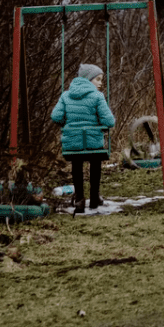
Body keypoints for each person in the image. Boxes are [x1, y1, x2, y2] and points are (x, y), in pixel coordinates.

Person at [51, 63, 116, 214]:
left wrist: (66, 123)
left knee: (76, 165)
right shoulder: (97, 97)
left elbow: (56, 116)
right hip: (93, 143)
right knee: (95, 163)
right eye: (98, 79)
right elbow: (109, 122)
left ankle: (80, 199)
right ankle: (94, 198)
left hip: (73, 143)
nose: (100, 83)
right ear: (88, 79)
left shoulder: (66, 95)